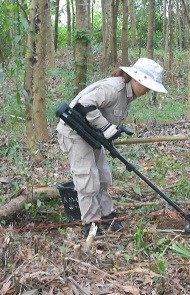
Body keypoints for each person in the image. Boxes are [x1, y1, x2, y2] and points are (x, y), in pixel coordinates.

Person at [56, 58, 168, 238]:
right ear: (136, 79)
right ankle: (91, 224)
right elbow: (84, 105)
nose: (147, 90)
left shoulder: (127, 94)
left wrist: (110, 130)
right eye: (147, 85)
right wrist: (106, 127)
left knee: (103, 176)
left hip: (91, 134)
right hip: (75, 133)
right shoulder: (114, 88)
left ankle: (107, 216)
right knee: (87, 179)